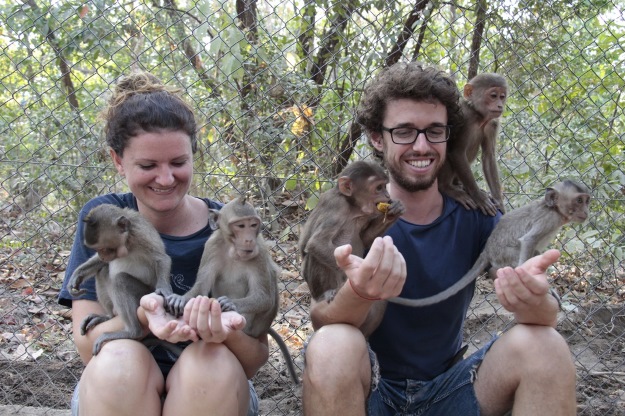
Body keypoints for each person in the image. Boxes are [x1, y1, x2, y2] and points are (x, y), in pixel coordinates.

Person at [302, 62, 576, 415]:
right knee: (331, 345)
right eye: (403, 132)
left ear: (450, 135)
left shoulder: (477, 215)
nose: (421, 146)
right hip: (372, 387)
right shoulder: (353, 208)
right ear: (376, 137)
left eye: (434, 131)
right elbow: (322, 318)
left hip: (451, 388)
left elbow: (544, 313)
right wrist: (360, 292)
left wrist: (534, 297)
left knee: (546, 346)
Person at [58, 71, 268, 416]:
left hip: (213, 389)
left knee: (209, 365)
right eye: (148, 165)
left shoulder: (230, 227)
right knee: (118, 363)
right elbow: (87, 347)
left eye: (178, 162)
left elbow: (255, 357)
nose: (166, 178)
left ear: (193, 155)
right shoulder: (103, 216)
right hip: (119, 389)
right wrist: (142, 315)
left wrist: (220, 332)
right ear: (117, 160)